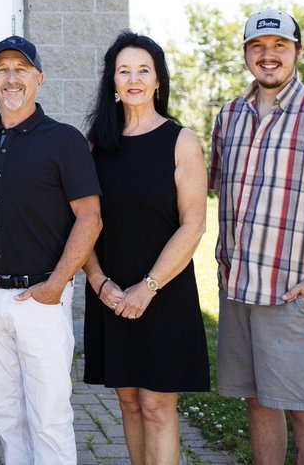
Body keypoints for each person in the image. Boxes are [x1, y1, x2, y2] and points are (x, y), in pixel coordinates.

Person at [211, 10, 304, 465]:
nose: (268, 55)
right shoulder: (229, 116)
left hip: (292, 291)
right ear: (246, 54)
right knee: (258, 401)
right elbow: (224, 193)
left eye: (279, 45)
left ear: (297, 52)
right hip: (238, 288)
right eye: (258, 46)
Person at [0, 35, 103, 465]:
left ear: (39, 79)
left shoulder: (64, 141)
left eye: (21, 69)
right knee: (5, 415)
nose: (11, 78)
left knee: (48, 419)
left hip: (41, 298)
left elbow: (90, 219)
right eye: (2, 69)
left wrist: (55, 285)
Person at [81, 31, 210, 465]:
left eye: (143, 70)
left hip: (163, 289)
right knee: (129, 402)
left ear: (158, 80)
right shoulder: (95, 146)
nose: (133, 79)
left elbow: (194, 225)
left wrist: (148, 287)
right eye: (124, 71)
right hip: (111, 292)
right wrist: (99, 282)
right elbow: (83, 224)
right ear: (113, 82)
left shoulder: (181, 141)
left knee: (156, 405)